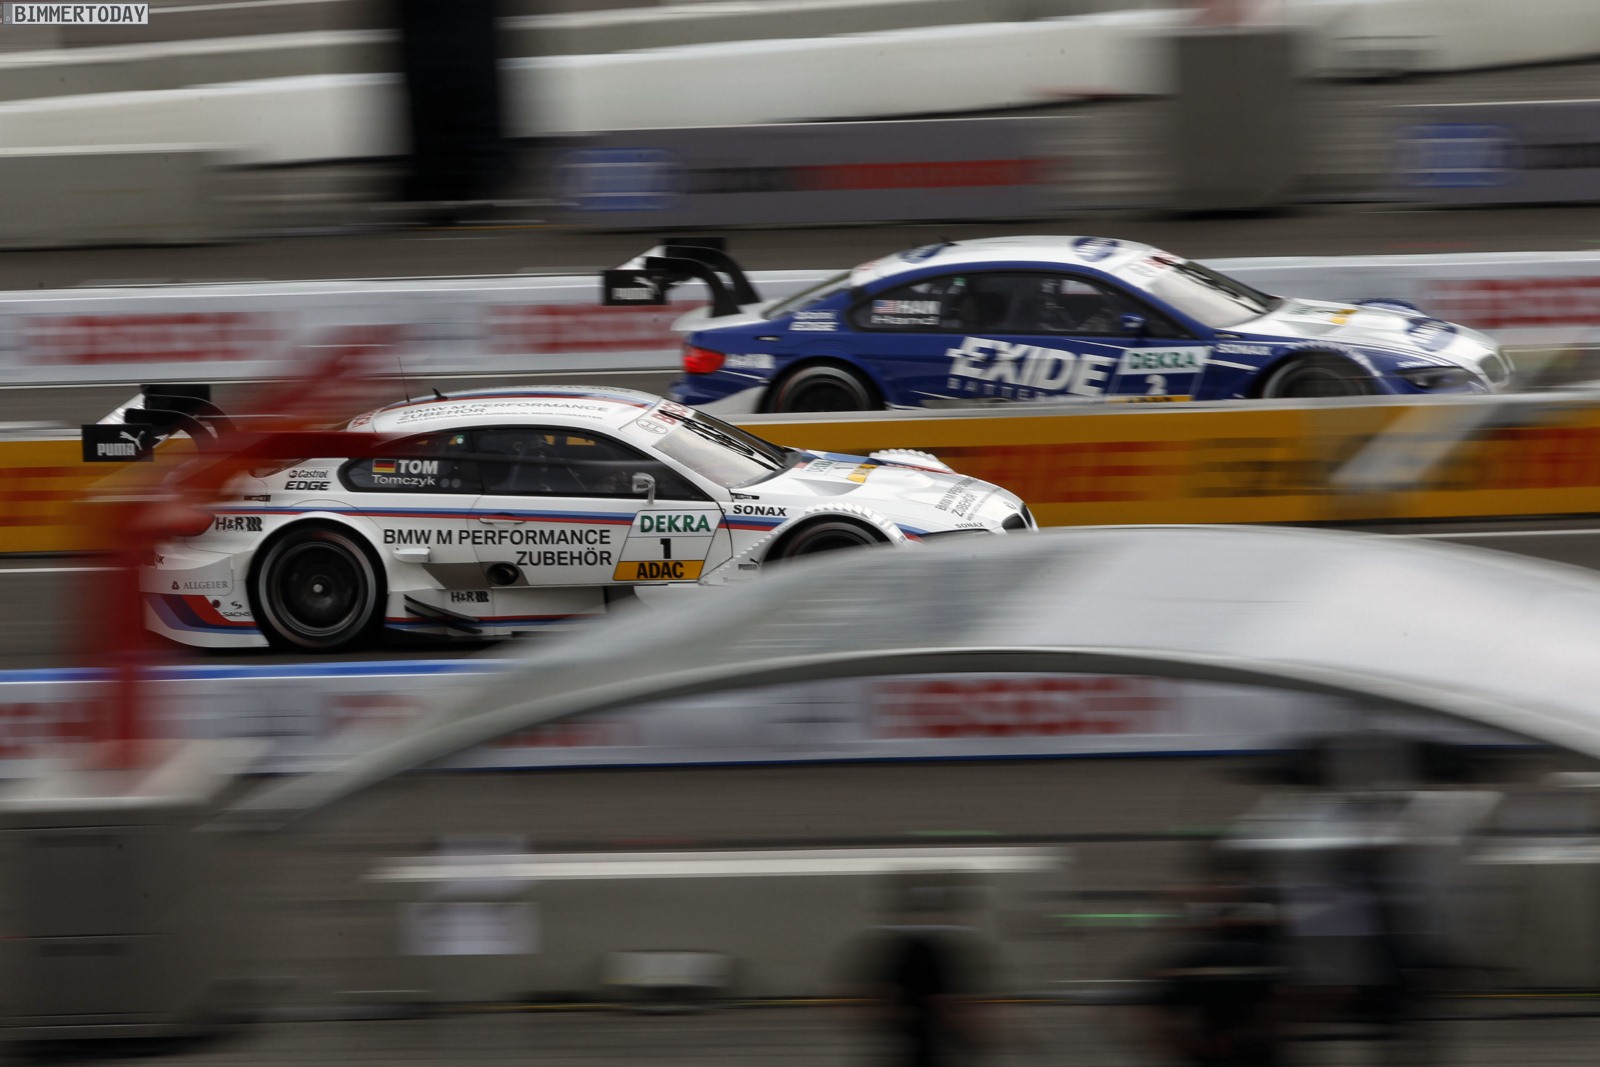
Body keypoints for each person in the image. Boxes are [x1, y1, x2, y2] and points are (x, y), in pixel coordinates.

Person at [853, 875, 996, 1067]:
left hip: (904, 1048)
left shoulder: (897, 948)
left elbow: (886, 996)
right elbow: (939, 1003)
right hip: (929, 1048)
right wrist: (969, 1037)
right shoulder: (931, 949)